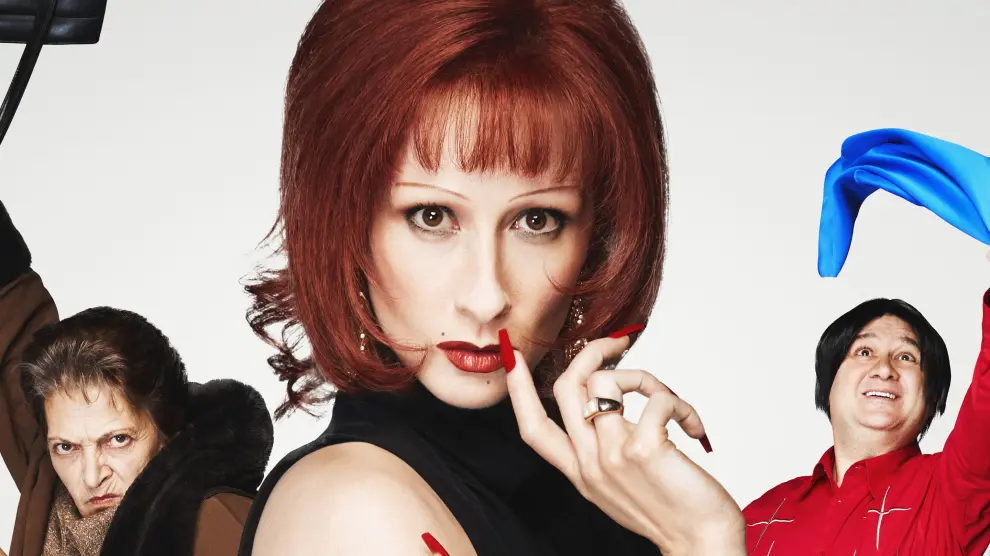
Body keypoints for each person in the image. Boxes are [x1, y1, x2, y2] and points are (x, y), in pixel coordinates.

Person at [236, 1, 743, 555]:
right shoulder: (346, 509)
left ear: (594, 240)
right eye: (432, 217)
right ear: (346, 225)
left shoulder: (610, 489)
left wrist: (702, 535)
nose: (486, 298)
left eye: (536, 221)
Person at [0, 201, 275, 556]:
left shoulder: (216, 524)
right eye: (66, 447)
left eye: (118, 440)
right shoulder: (50, 493)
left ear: (166, 430)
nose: (91, 477)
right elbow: (10, 317)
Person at [742, 266, 990, 555]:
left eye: (906, 357)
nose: (884, 369)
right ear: (829, 383)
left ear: (933, 397)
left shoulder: (950, 493)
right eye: (864, 352)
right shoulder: (761, 515)